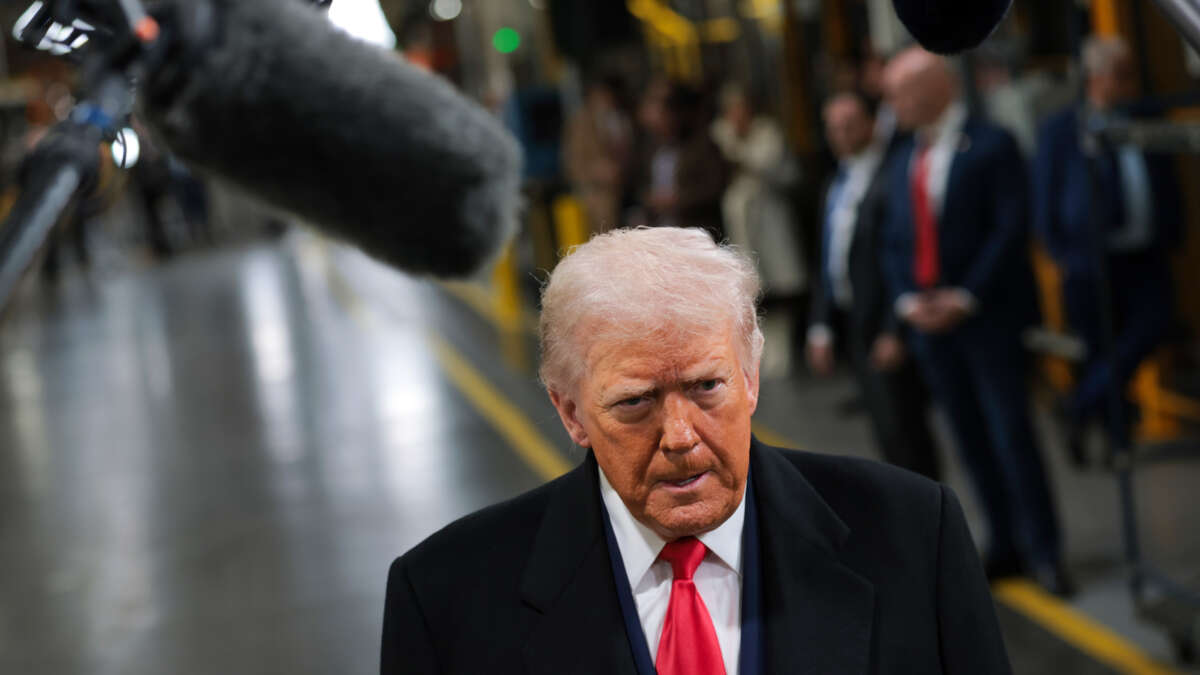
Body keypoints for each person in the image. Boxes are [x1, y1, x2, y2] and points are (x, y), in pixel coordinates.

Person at [381, 227, 1011, 674]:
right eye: (635, 402)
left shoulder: (913, 535)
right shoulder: (444, 600)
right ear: (570, 411)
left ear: (753, 377)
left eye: (707, 386)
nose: (680, 436)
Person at [879, 48, 1071, 595]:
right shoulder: (904, 159)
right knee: (969, 441)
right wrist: (908, 302)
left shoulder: (992, 145)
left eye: (900, 93)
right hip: (931, 328)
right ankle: (1004, 544)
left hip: (986, 321)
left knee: (1012, 435)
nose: (892, 105)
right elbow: (894, 239)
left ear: (936, 88)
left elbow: (1009, 229)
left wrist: (964, 296)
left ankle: (1045, 551)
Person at [1033, 36, 1182, 456]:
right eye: (1120, 75)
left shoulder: (1144, 116)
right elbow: (1045, 193)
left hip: (1145, 252)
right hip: (1090, 258)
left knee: (1150, 327)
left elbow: (1167, 178)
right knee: (1100, 345)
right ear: (1095, 77)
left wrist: (1174, 231)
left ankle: (1079, 406)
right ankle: (1114, 438)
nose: (1129, 84)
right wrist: (1061, 252)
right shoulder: (1062, 128)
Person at [807, 91, 941, 482]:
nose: (841, 135)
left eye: (849, 125)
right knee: (885, 434)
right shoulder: (835, 182)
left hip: (885, 324)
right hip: (852, 323)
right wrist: (820, 326)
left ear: (870, 125)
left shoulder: (892, 175)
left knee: (907, 435)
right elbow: (827, 259)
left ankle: (929, 523)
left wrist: (894, 329)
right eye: (833, 128)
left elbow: (900, 258)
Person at [710, 84, 805, 299]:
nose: (737, 115)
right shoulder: (720, 133)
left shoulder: (767, 132)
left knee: (780, 281)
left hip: (769, 212)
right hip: (738, 217)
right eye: (731, 109)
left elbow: (766, 164)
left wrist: (736, 151)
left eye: (741, 108)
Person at [632, 83, 729, 239]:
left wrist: (678, 200)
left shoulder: (702, 145)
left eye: (662, 112)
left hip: (696, 234)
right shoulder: (651, 148)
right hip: (663, 236)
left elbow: (716, 186)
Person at [563, 75, 634, 234]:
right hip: (601, 199)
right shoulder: (581, 123)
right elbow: (573, 163)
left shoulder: (626, 117)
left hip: (630, 194)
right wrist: (595, 172)